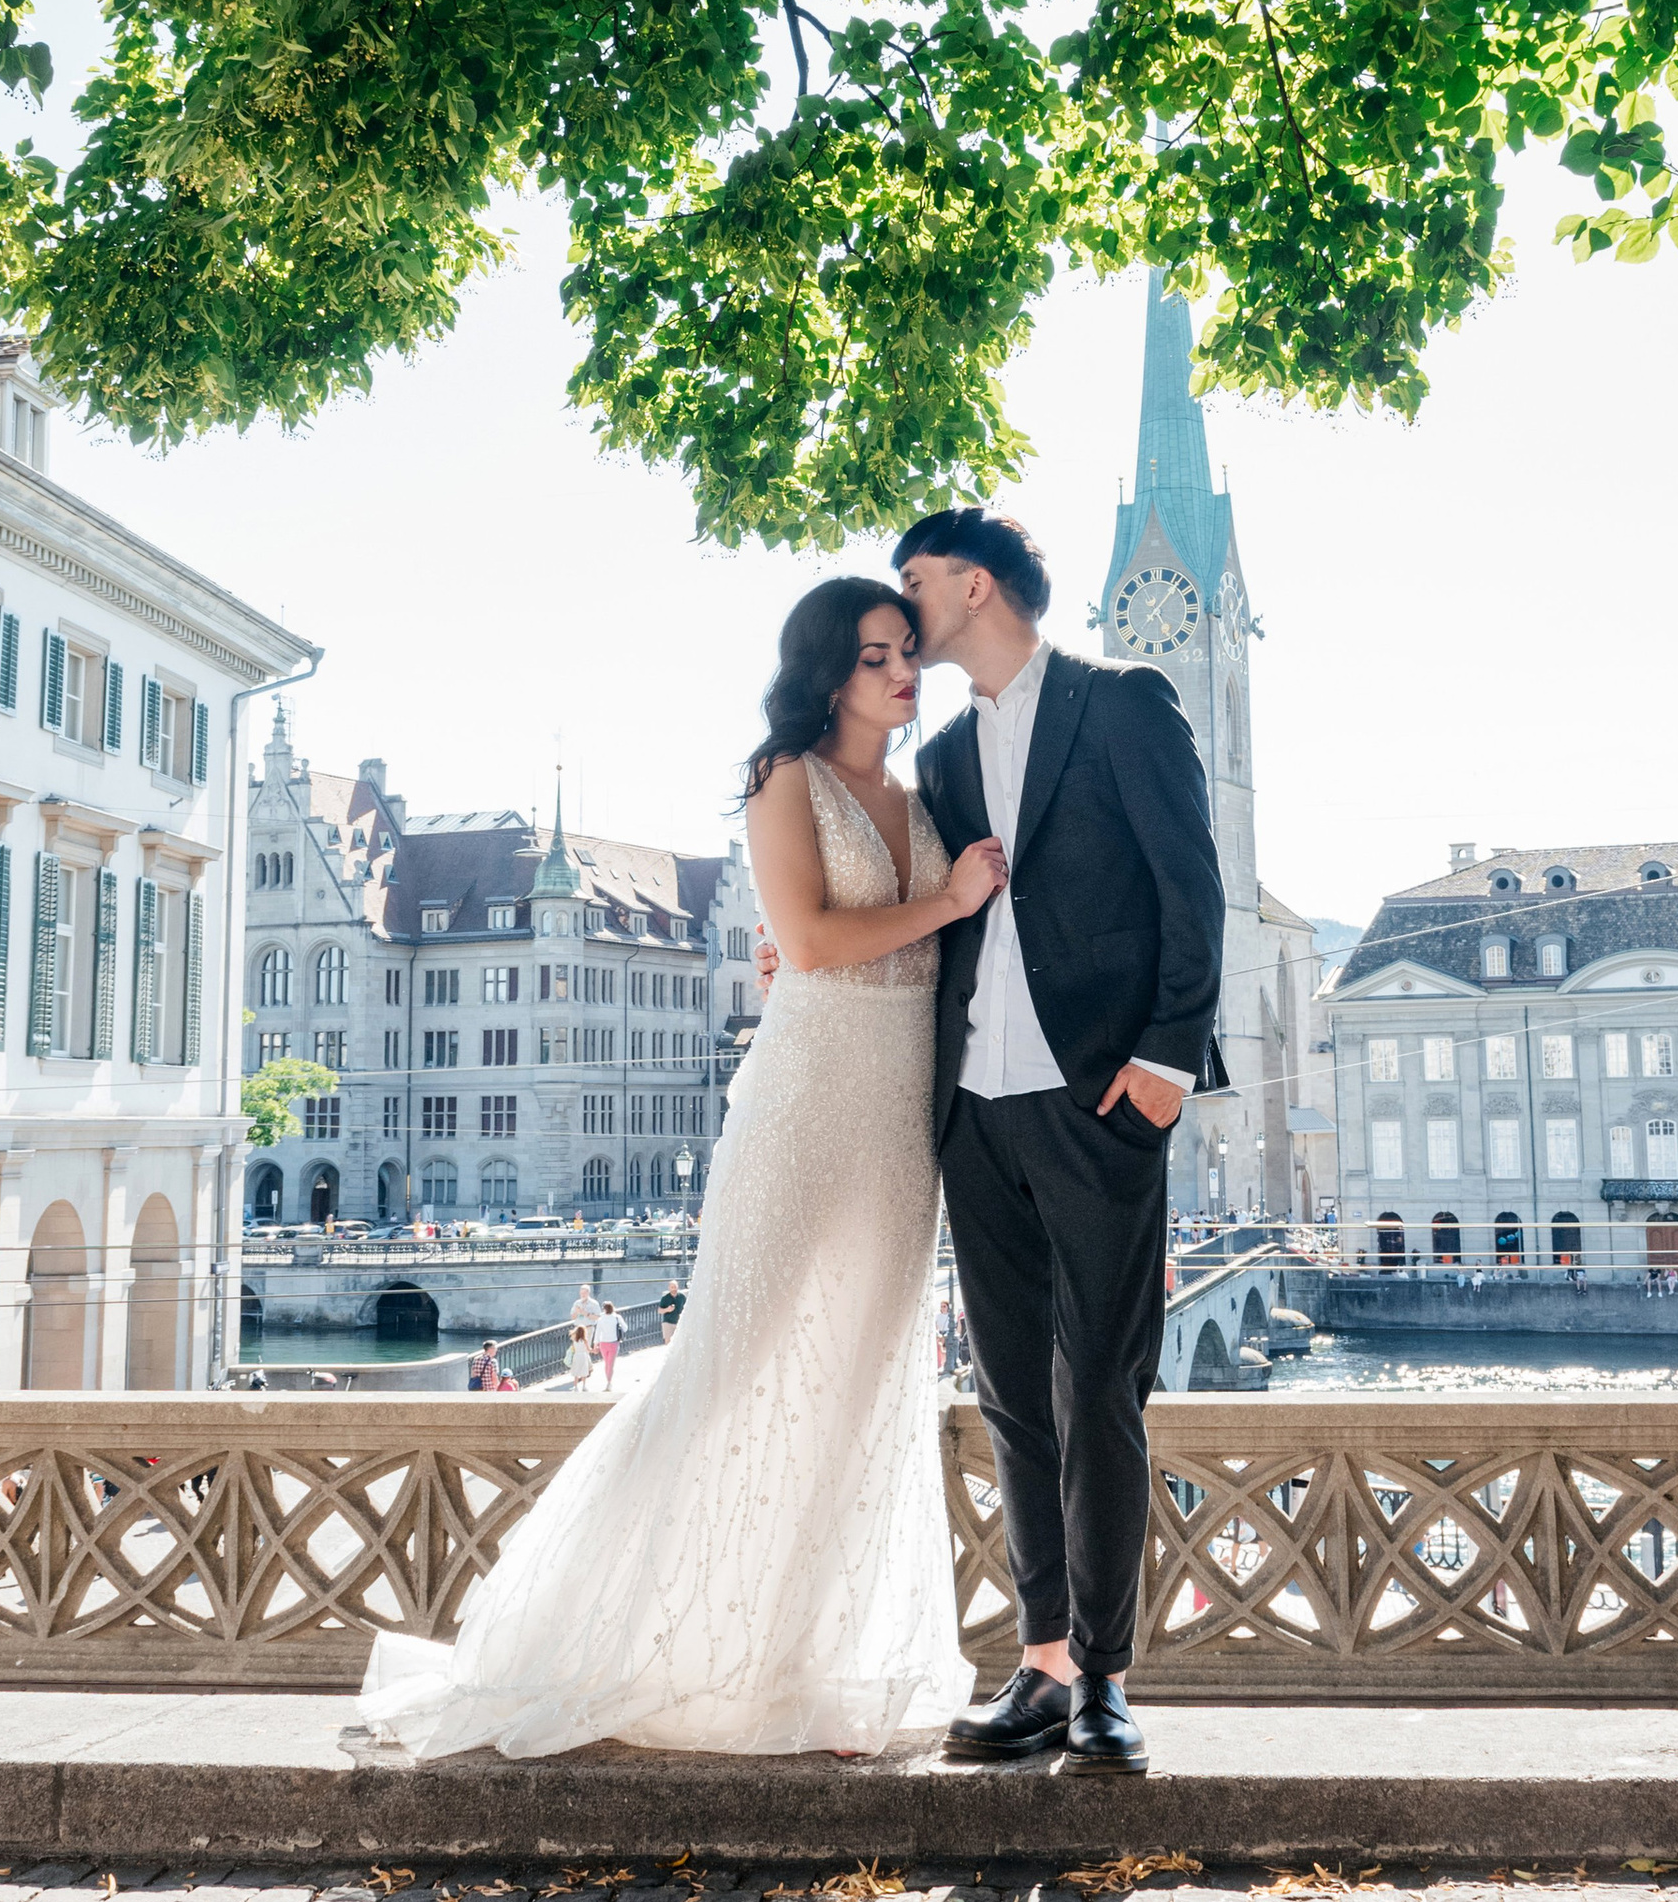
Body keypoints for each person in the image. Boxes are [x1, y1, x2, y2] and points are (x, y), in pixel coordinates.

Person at [342, 576, 1005, 1761]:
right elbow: (804, 944)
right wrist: (951, 899)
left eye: (906, 651)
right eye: (873, 656)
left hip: (900, 1111)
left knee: (859, 1377)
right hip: (807, 1100)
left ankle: (817, 1664)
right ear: (823, 674)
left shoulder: (919, 791)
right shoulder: (784, 782)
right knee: (736, 1361)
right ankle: (606, 1637)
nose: (902, 671)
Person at [899, 503, 1226, 1780]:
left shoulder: (1122, 700)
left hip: (1099, 1099)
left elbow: (1188, 886)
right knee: (1009, 1390)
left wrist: (1164, 1059)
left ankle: (1104, 1677)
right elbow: (941, 920)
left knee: (1099, 1386)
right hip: (974, 1109)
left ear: (974, 587)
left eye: (916, 581)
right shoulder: (940, 759)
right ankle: (1038, 1664)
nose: (904, 605)